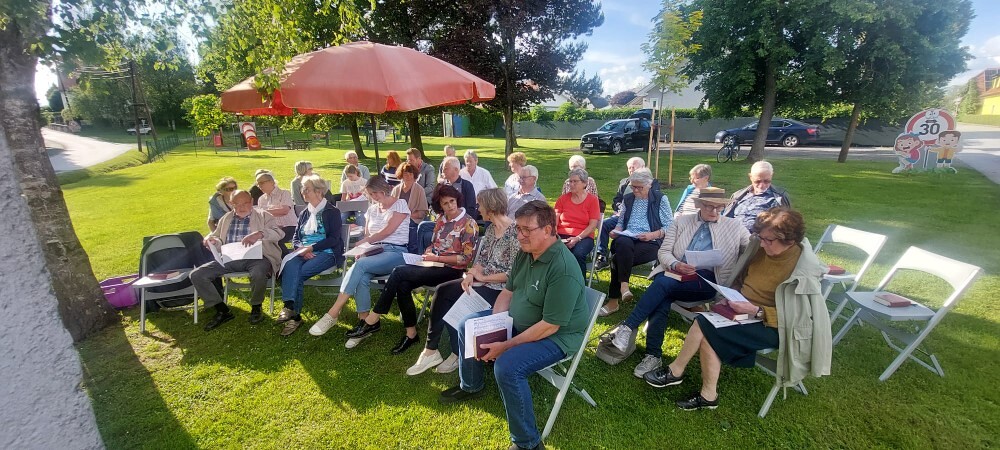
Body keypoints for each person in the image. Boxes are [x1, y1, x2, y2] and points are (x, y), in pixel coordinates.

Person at [641, 207, 829, 411]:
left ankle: (676, 372)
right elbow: (742, 277)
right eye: (761, 238)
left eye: (768, 240)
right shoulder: (761, 249)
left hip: (775, 326)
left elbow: (798, 318)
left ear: (790, 241)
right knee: (706, 327)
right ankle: (707, 395)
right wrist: (732, 296)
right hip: (743, 310)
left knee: (704, 325)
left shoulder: (803, 269)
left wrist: (756, 310)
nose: (762, 243)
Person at [438, 200, 589, 450]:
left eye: (526, 230)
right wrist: (494, 326)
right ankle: (471, 385)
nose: (519, 235)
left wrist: (506, 345)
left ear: (548, 230)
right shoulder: (526, 253)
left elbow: (550, 326)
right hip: (521, 322)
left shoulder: (562, 268)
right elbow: (507, 292)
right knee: (467, 325)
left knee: (507, 366)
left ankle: (527, 443)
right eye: (518, 228)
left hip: (556, 337)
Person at [606, 187, 748, 378]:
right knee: (662, 295)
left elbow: (753, 248)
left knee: (662, 285)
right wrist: (676, 264)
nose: (714, 211)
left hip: (707, 282)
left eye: (719, 207)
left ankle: (628, 327)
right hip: (676, 272)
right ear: (699, 205)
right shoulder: (681, 222)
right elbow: (664, 252)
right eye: (709, 206)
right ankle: (652, 355)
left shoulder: (734, 226)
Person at [345, 184, 478, 353]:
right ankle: (411, 333)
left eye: (452, 201)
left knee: (399, 272)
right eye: (445, 203)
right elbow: (434, 244)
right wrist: (429, 252)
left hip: (452, 270)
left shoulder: (469, 223)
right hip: (433, 264)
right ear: (440, 205)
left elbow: (465, 259)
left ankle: (372, 319)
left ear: (457, 199)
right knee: (403, 285)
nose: (450, 206)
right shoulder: (441, 219)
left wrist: (437, 258)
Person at [406, 188, 519, 375]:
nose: (478, 208)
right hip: (482, 281)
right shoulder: (491, 229)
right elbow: (482, 259)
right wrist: (472, 275)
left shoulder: (515, 232)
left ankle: (457, 352)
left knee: (456, 302)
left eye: (480, 205)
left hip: (501, 290)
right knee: (443, 291)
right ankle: (431, 350)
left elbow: (514, 273)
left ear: (490, 207)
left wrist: (483, 278)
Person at [309, 176, 410, 346]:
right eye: (371, 194)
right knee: (361, 275)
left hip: (396, 252)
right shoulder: (372, 209)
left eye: (375, 193)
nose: (373, 197)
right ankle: (365, 323)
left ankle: (333, 312)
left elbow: (388, 231)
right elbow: (368, 234)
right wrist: (363, 249)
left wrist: (364, 242)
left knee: (360, 265)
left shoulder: (400, 204)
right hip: (374, 251)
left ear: (383, 189)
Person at [191, 190, 284, 330]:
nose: (241, 207)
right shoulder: (226, 218)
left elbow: (278, 233)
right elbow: (218, 238)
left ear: (251, 202)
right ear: (231, 203)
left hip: (257, 257)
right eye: (237, 204)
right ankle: (222, 310)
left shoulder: (263, 215)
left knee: (258, 272)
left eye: (245, 203)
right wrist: (213, 242)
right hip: (229, 258)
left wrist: (260, 234)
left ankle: (256, 306)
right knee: (197, 275)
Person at [276, 176, 345, 336]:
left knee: (298, 274)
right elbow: (296, 237)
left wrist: (312, 248)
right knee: (289, 266)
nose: (303, 192)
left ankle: (294, 316)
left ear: (319, 191)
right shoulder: (304, 213)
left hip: (327, 252)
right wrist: (300, 248)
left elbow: (334, 239)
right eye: (302, 189)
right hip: (303, 251)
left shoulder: (332, 212)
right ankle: (290, 308)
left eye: (306, 189)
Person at [599, 169, 673, 317]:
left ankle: (614, 301)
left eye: (639, 187)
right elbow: (621, 222)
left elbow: (670, 226)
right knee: (622, 242)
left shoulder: (660, 199)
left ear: (649, 184)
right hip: (627, 238)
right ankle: (624, 287)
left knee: (617, 259)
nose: (636, 190)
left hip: (651, 241)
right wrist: (616, 231)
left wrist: (652, 234)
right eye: (633, 187)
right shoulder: (628, 198)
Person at [595, 157, 660, 269]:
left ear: (642, 167)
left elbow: (652, 202)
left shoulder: (652, 183)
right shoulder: (624, 182)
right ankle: (602, 255)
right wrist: (621, 208)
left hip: (642, 219)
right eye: (629, 168)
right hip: (622, 215)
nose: (631, 170)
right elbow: (616, 200)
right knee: (604, 224)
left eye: (633, 167)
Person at [415, 156, 480, 253]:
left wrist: (459, 221)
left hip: (460, 223)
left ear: (456, 170)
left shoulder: (466, 185)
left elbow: (471, 209)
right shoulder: (442, 186)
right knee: (423, 226)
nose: (442, 171)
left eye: (445, 168)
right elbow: (436, 205)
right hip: (443, 221)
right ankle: (421, 254)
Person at [554, 168, 600, 277]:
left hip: (584, 236)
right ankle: (555, 281)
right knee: (551, 251)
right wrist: (555, 235)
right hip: (561, 235)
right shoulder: (563, 199)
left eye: (575, 181)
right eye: (570, 181)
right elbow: (554, 220)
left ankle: (579, 284)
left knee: (578, 254)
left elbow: (592, 226)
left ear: (584, 183)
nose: (571, 184)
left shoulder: (592, 200)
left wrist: (577, 238)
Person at [723, 161, 791, 232]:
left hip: (757, 237)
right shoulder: (738, 195)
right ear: (751, 177)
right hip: (732, 233)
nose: (762, 186)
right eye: (757, 181)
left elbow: (784, 226)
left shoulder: (778, 198)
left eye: (766, 181)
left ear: (771, 176)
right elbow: (726, 217)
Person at [391, 162, 429, 253]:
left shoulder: (419, 190)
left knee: (411, 228)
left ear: (414, 175)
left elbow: (423, 212)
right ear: (401, 175)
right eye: (405, 174)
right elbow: (390, 208)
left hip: (413, 220)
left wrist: (407, 216)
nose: (408, 176)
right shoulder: (396, 189)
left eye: (410, 174)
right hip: (397, 220)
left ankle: (412, 254)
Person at [254, 171, 296, 253]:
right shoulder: (261, 199)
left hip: (288, 227)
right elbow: (262, 217)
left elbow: (284, 211)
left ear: (272, 182)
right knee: (261, 241)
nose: (259, 186)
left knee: (280, 242)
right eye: (258, 184)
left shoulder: (284, 193)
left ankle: (285, 259)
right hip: (272, 229)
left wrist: (263, 211)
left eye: (261, 183)